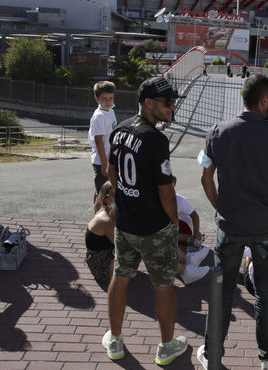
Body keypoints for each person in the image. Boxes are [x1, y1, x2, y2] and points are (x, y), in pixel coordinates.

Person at [197, 74, 268, 370]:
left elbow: (205, 176)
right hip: (266, 226)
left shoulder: (218, 131)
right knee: (266, 291)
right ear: (263, 100)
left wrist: (219, 205)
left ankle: (212, 355)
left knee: (222, 291)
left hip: (229, 225)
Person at [101, 77, 188, 365]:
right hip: (154, 227)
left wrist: (126, 195)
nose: (171, 107)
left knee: (121, 276)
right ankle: (166, 347)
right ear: (148, 103)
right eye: (167, 103)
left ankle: (114, 340)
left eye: (172, 102)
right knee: (163, 285)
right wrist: (174, 223)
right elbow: (166, 193)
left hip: (125, 223)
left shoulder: (120, 129)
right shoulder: (156, 140)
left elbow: (110, 172)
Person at [170, 175, 210, 285]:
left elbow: (194, 215)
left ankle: (189, 247)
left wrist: (196, 232)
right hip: (169, 230)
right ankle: (188, 258)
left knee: (166, 238)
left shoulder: (180, 200)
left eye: (172, 188)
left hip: (183, 226)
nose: (170, 191)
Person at [88, 81, 117, 210]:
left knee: (105, 189)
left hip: (108, 158)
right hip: (101, 160)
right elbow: (99, 141)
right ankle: (97, 215)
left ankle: (100, 213)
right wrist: (104, 164)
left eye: (110, 98)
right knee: (101, 190)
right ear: (96, 98)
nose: (108, 101)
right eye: (104, 99)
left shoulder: (110, 111)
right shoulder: (99, 116)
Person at [86, 181, 116, 291]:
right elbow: (121, 244)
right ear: (106, 199)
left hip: (101, 255)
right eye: (115, 194)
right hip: (100, 264)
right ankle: (115, 276)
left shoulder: (108, 210)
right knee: (130, 249)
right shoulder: (105, 220)